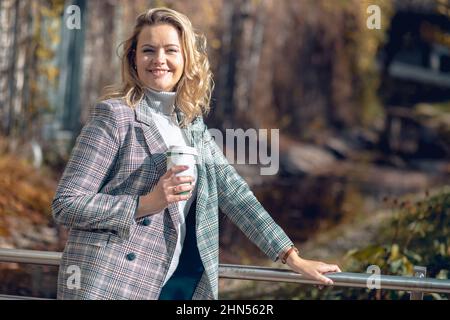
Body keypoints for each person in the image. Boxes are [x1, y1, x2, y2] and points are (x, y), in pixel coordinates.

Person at [52, 7, 341, 300]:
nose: (159, 60)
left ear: (186, 58)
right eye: (148, 50)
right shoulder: (115, 115)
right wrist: (145, 203)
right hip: (108, 284)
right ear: (134, 59)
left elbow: (236, 195)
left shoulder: (191, 124)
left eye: (171, 50)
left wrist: (292, 256)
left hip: (171, 283)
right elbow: (66, 204)